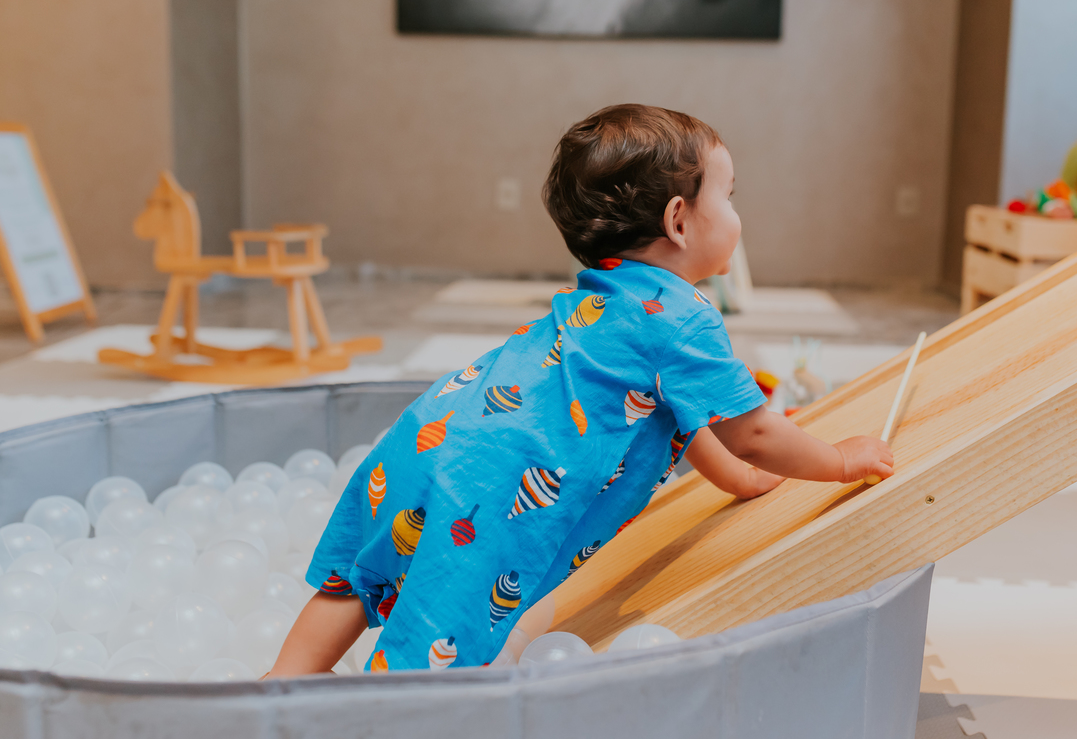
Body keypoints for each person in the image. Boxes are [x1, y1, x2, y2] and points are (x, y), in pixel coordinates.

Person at [266, 104, 894, 675]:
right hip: (497, 489)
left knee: (358, 576)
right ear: (679, 221)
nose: (737, 215)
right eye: (729, 197)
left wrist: (734, 479)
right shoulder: (684, 318)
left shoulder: (608, 289)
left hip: (430, 436)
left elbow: (677, 415)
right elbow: (752, 431)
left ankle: (280, 682)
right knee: (438, 643)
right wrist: (838, 461)